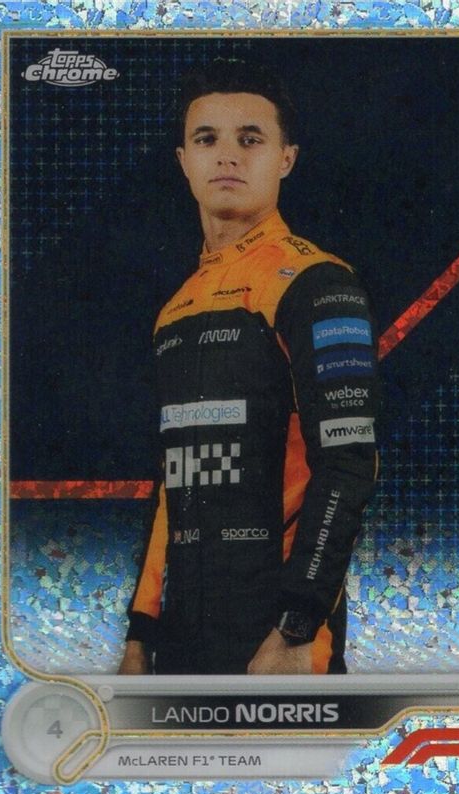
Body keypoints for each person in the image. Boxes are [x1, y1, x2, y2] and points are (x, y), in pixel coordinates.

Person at [118, 58, 378, 676]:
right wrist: (140, 634)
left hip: (279, 640)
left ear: (286, 158)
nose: (227, 156)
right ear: (184, 160)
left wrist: (296, 628)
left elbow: (348, 464)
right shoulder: (173, 309)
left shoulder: (318, 283)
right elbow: (172, 485)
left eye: (251, 139)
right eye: (207, 139)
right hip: (180, 646)